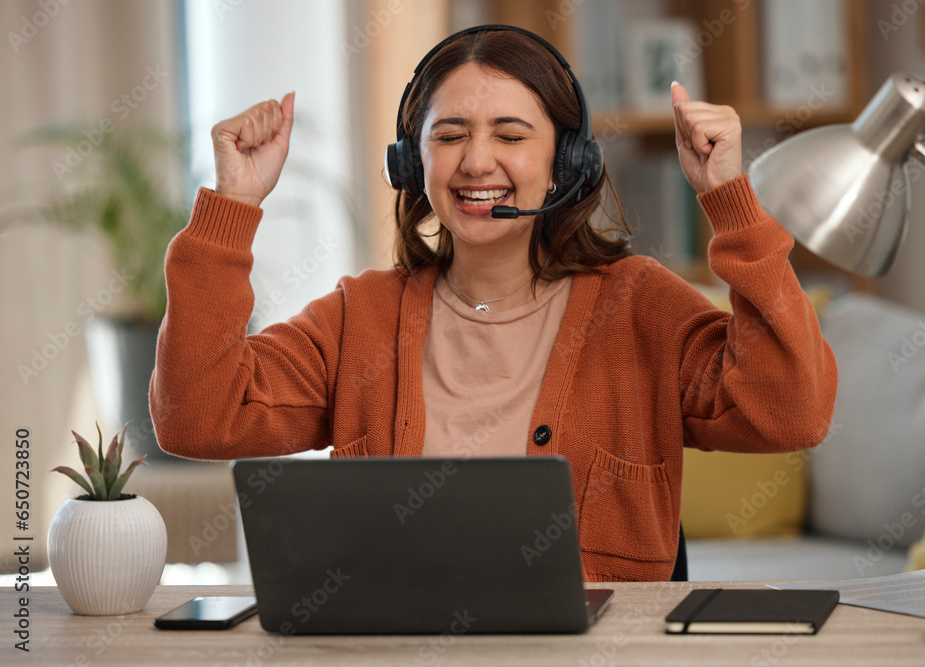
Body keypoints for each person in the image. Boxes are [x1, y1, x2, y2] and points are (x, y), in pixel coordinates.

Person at [150, 25, 837, 582]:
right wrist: (232, 208)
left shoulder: (639, 305)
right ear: (412, 163)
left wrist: (729, 199)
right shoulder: (361, 316)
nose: (477, 162)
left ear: (566, 162)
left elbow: (792, 411)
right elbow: (198, 418)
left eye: (510, 135)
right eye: (449, 136)